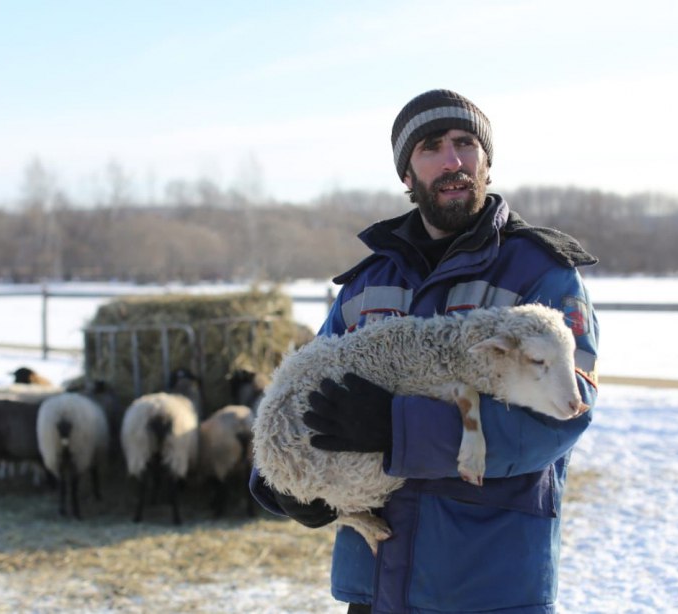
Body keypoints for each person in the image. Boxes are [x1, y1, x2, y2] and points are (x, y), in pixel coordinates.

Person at [250, 89, 599, 613]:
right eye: (431, 147)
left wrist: (401, 431)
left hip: (484, 585)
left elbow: (561, 422)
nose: (453, 161)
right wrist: (282, 482)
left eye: (466, 144)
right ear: (407, 175)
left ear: (487, 162)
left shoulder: (541, 273)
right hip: (373, 584)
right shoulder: (367, 283)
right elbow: (300, 387)